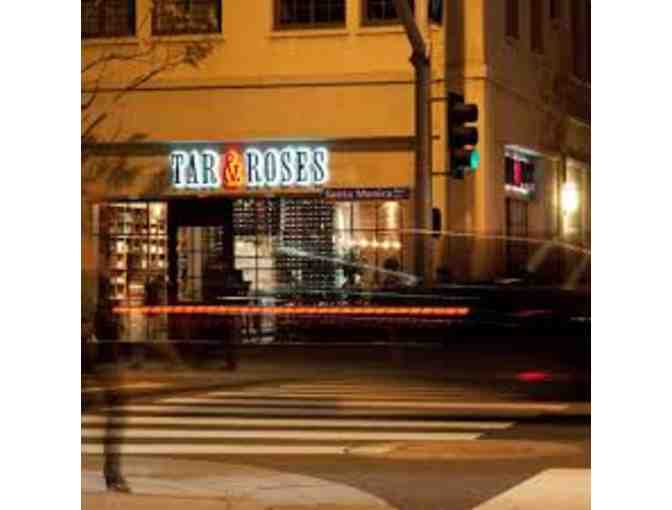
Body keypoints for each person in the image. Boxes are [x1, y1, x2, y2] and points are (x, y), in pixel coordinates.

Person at [82, 267, 130, 493]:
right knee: (115, 406)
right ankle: (112, 473)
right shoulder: (88, 279)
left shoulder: (95, 278)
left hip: (98, 358)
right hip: (94, 358)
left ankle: (113, 472)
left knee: (117, 406)